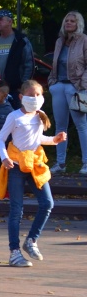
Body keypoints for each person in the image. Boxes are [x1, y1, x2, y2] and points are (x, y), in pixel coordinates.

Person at [0, 80, 65, 267]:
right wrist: (4, 158)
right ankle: (14, 252)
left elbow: (37, 138)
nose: (35, 98)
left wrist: (54, 140)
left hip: (35, 165)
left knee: (47, 203)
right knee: (16, 210)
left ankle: (31, 240)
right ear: (21, 97)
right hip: (16, 166)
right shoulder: (14, 117)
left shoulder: (40, 115)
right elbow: (0, 139)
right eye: (30, 95)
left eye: (38, 95)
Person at [48, 10, 87, 174]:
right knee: (60, 126)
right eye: (67, 20)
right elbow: (55, 64)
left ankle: (86, 164)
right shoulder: (60, 41)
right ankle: (60, 163)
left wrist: (82, 85)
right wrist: (52, 83)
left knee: (81, 125)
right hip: (59, 86)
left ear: (78, 24)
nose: (69, 23)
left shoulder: (84, 40)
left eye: (72, 21)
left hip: (75, 86)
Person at [0, 10, 34, 105]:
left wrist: (23, 85)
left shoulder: (20, 40)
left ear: (10, 22)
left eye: (0, 19)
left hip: (14, 90)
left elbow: (28, 64)